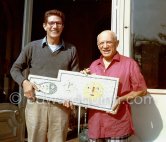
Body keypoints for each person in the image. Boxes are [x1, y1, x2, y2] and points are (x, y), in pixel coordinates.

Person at [10, 9, 79, 142]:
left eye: (58, 23)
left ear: (63, 26)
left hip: (61, 107)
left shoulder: (71, 50)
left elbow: (75, 78)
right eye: (51, 23)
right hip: (36, 103)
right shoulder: (32, 47)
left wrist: (70, 96)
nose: (55, 26)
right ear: (45, 26)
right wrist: (24, 83)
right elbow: (15, 69)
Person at [85, 30, 147, 142]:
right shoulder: (93, 65)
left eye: (109, 42)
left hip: (117, 125)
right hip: (95, 125)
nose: (105, 46)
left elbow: (142, 90)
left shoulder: (129, 64)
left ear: (116, 43)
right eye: (101, 43)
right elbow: (88, 92)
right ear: (98, 46)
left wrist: (121, 99)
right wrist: (82, 81)